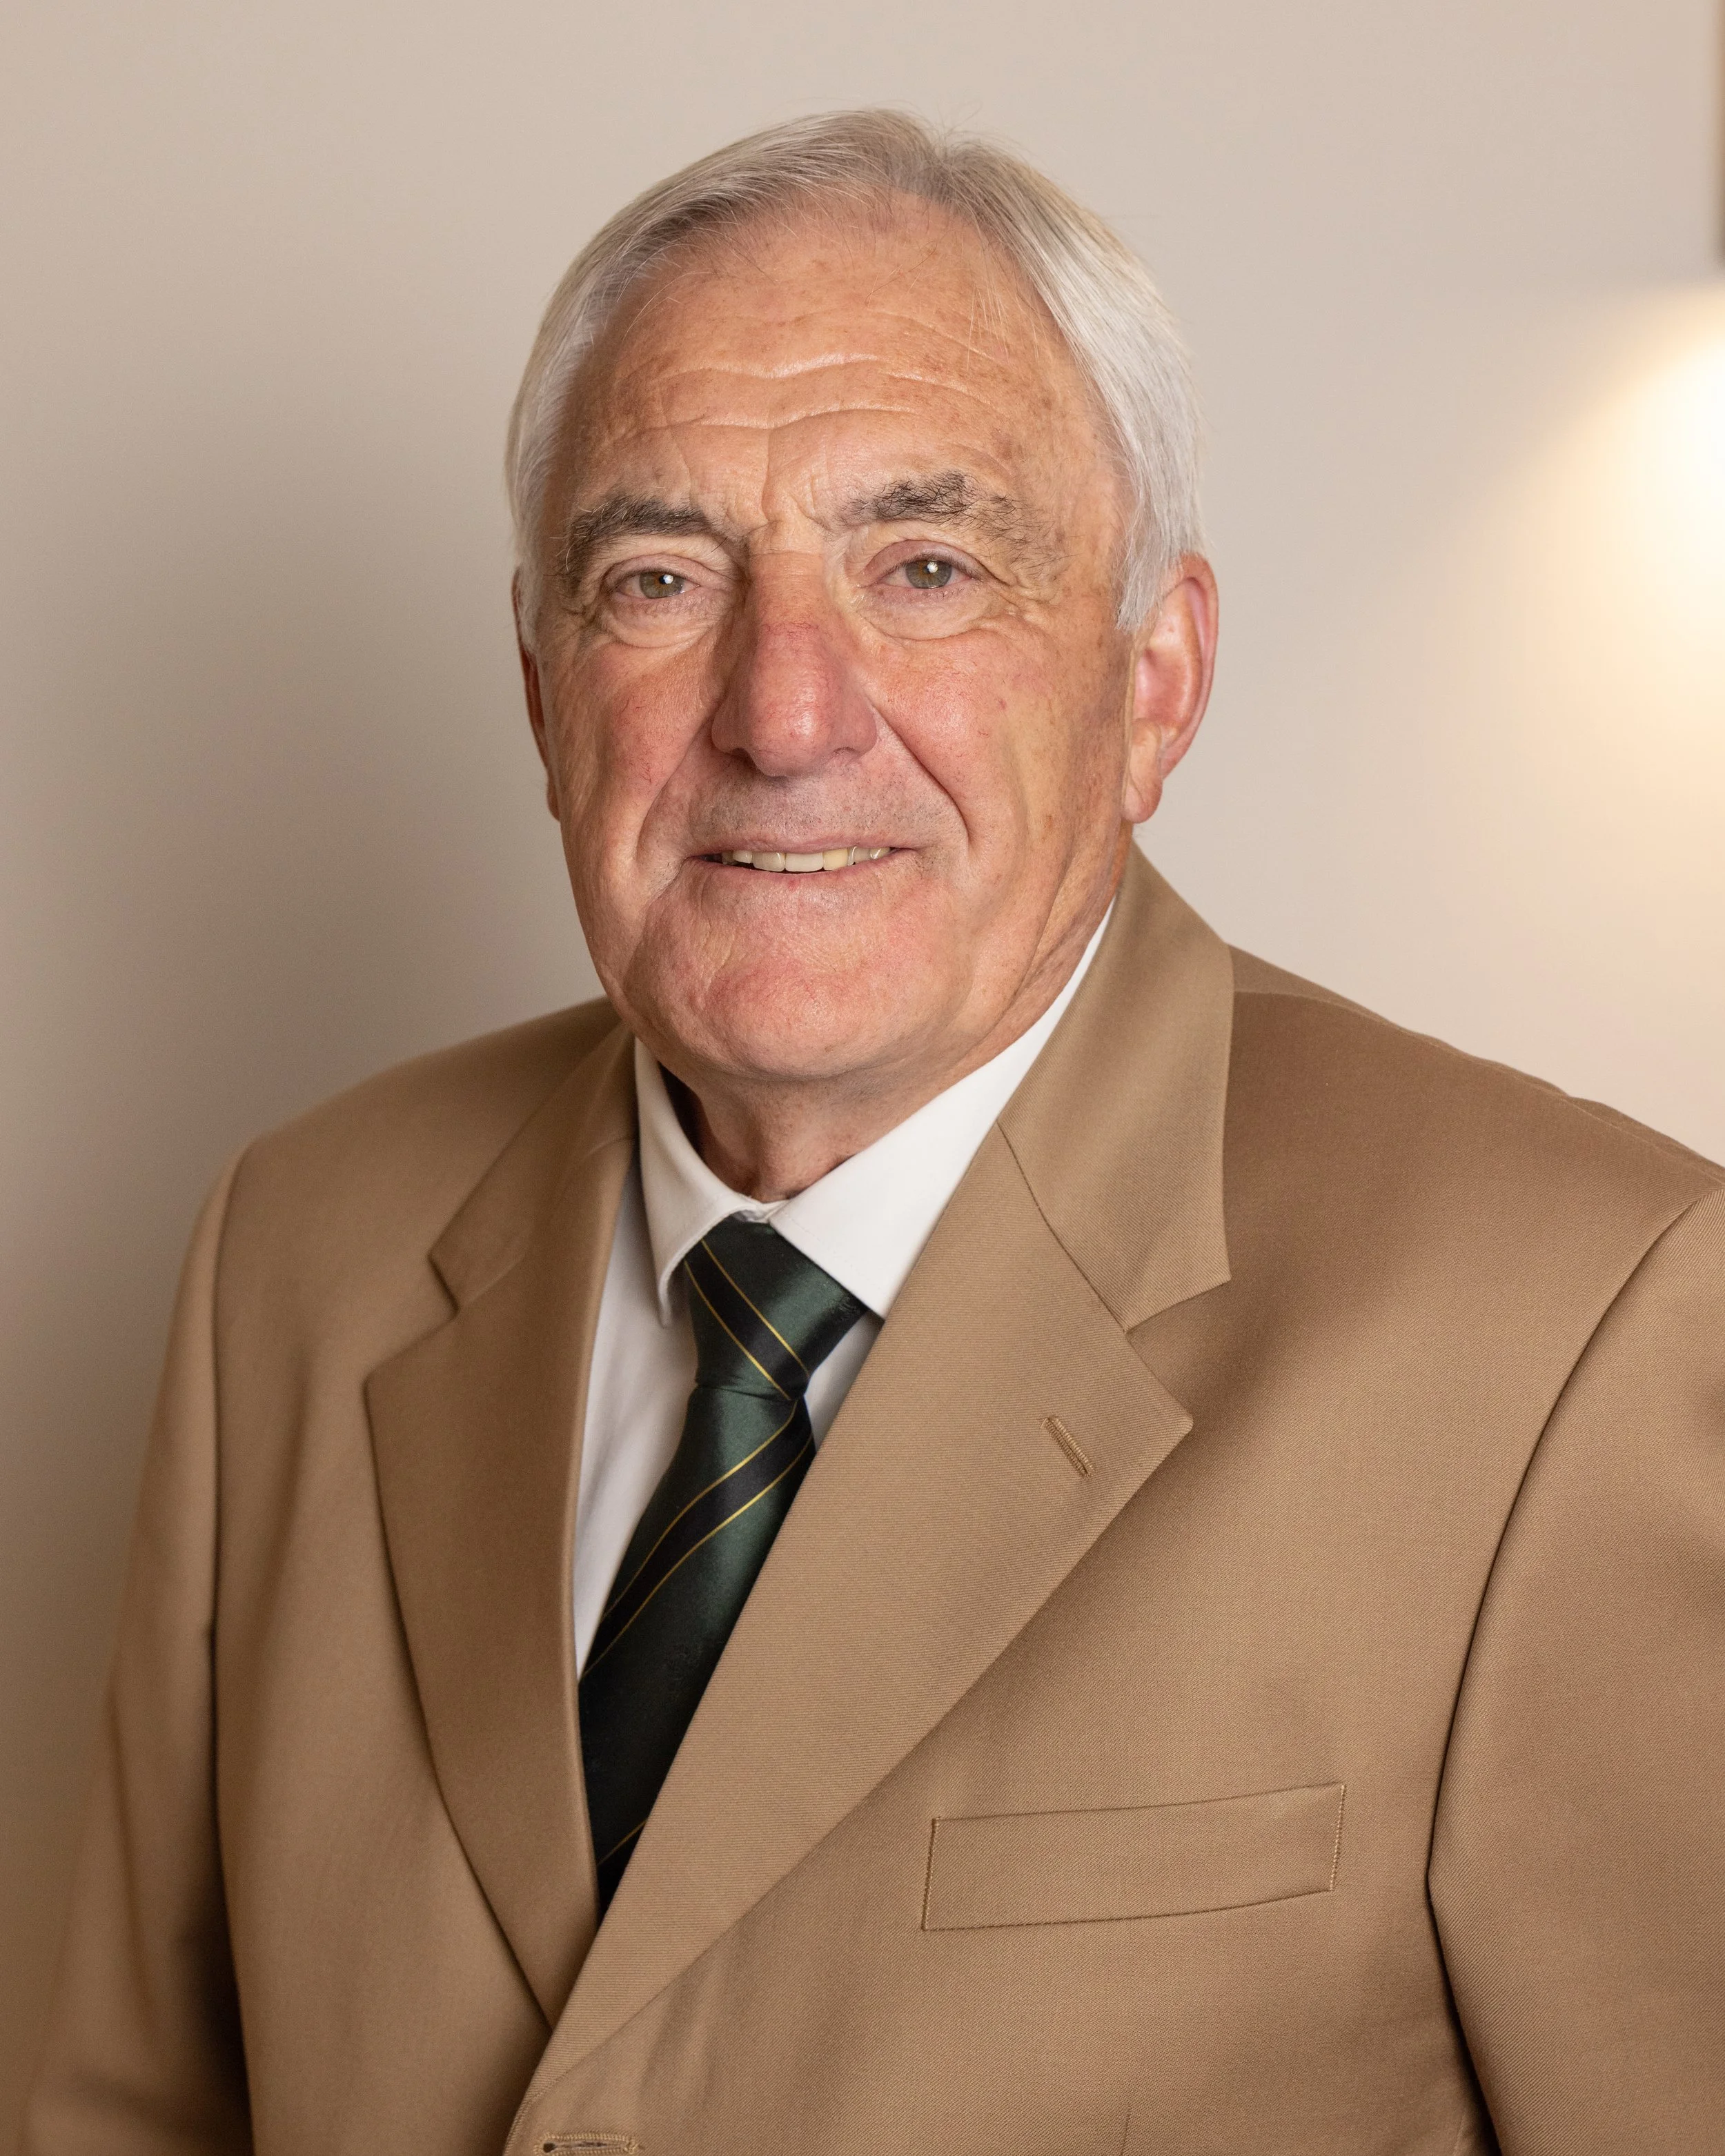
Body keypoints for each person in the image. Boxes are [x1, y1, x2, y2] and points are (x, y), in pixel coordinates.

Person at [23, 110, 1724, 2156]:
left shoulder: (1575, 1325)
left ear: (1156, 679)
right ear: (545, 692)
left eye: (925, 568)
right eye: (660, 579)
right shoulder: (298, 1250)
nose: (784, 713)